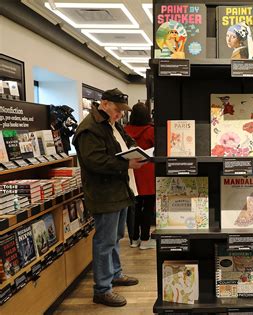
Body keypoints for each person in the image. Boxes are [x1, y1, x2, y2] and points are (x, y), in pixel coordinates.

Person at [72, 88, 144, 307]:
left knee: (115, 236)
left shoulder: (112, 124)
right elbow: (95, 161)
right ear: (103, 103)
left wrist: (136, 150)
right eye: (117, 109)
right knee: (104, 240)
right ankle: (102, 289)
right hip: (104, 193)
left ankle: (114, 273)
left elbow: (125, 143)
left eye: (122, 111)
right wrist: (127, 164)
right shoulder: (89, 128)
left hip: (119, 190)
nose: (120, 114)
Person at [124, 102, 155, 250]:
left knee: (134, 208)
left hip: (131, 172)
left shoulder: (125, 130)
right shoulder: (151, 131)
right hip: (148, 172)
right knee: (148, 208)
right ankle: (145, 240)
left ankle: (133, 238)